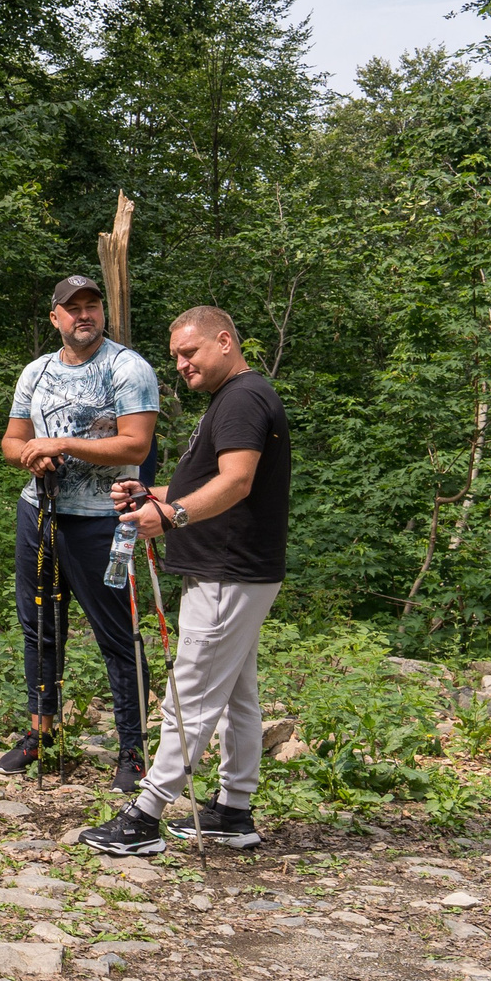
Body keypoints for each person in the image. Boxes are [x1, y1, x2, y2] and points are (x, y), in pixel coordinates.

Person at [79, 306, 289, 857]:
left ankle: (145, 816)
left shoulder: (243, 398)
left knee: (188, 694)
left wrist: (172, 516)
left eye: (189, 352)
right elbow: (212, 479)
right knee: (238, 695)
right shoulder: (237, 398)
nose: (180, 364)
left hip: (228, 570)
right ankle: (233, 811)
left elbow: (238, 482)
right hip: (235, 570)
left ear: (225, 341)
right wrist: (158, 497)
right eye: (174, 356)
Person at [0, 275, 162, 790]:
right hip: (40, 514)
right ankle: (40, 731)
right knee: (39, 626)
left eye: (92, 306)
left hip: (104, 521)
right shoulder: (36, 371)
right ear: (56, 318)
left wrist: (61, 444)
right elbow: (12, 439)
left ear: (103, 313)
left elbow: (135, 445)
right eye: (73, 309)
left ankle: (132, 750)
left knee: (116, 633)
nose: (83, 315)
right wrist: (30, 453)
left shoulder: (127, 367)